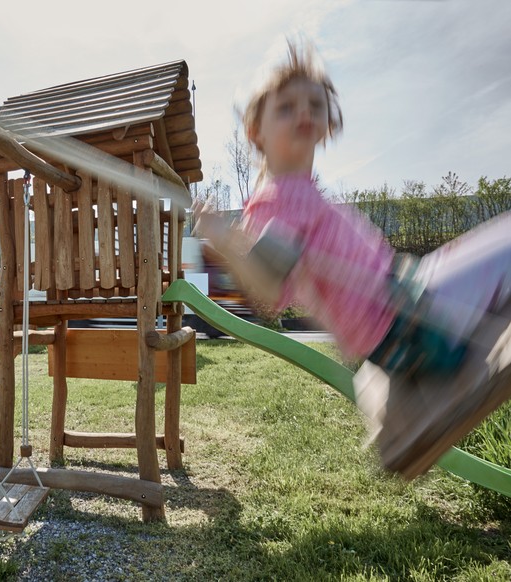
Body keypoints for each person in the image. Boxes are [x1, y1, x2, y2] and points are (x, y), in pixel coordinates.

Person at [194, 41, 511, 479]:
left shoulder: (299, 193)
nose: (303, 112)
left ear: (328, 122)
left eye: (314, 104)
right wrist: (225, 243)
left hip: (406, 296)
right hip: (407, 319)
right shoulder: (276, 200)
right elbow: (270, 290)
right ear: (256, 132)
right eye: (286, 107)